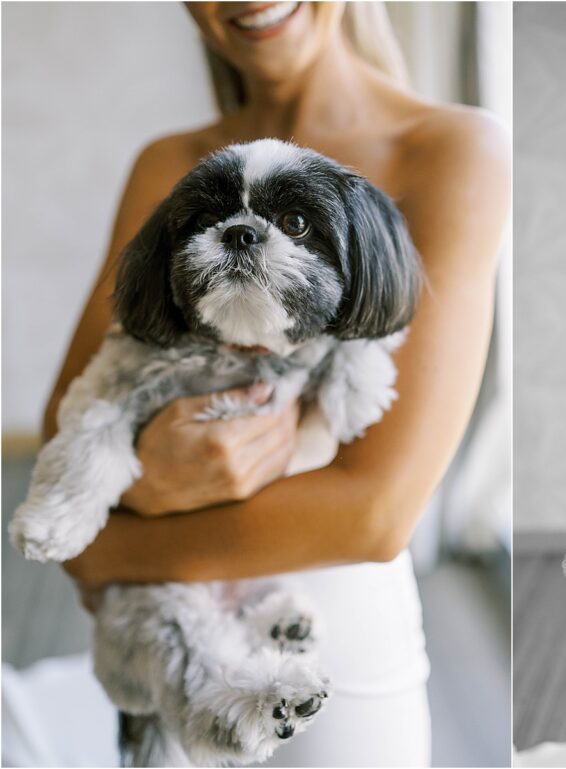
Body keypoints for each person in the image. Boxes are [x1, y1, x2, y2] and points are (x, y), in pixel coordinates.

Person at [51, 2, 510, 766]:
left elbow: (375, 514)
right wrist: (141, 490)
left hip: (334, 649)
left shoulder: (456, 148)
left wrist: (112, 542)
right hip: (167, 643)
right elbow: (71, 418)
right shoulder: (166, 165)